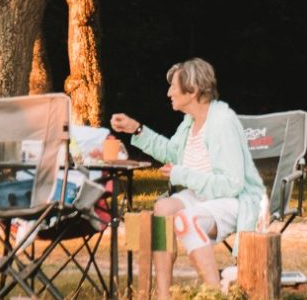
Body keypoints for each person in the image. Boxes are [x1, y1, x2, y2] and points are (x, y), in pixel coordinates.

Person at [110, 59, 266, 299]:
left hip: (235, 200)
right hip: (203, 196)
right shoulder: (190, 122)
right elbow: (172, 153)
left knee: (185, 220)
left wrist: (182, 175)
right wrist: (137, 129)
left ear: (192, 91)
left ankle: (214, 294)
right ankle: (163, 294)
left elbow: (232, 183)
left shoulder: (222, 122)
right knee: (163, 208)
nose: (169, 92)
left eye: (174, 86)